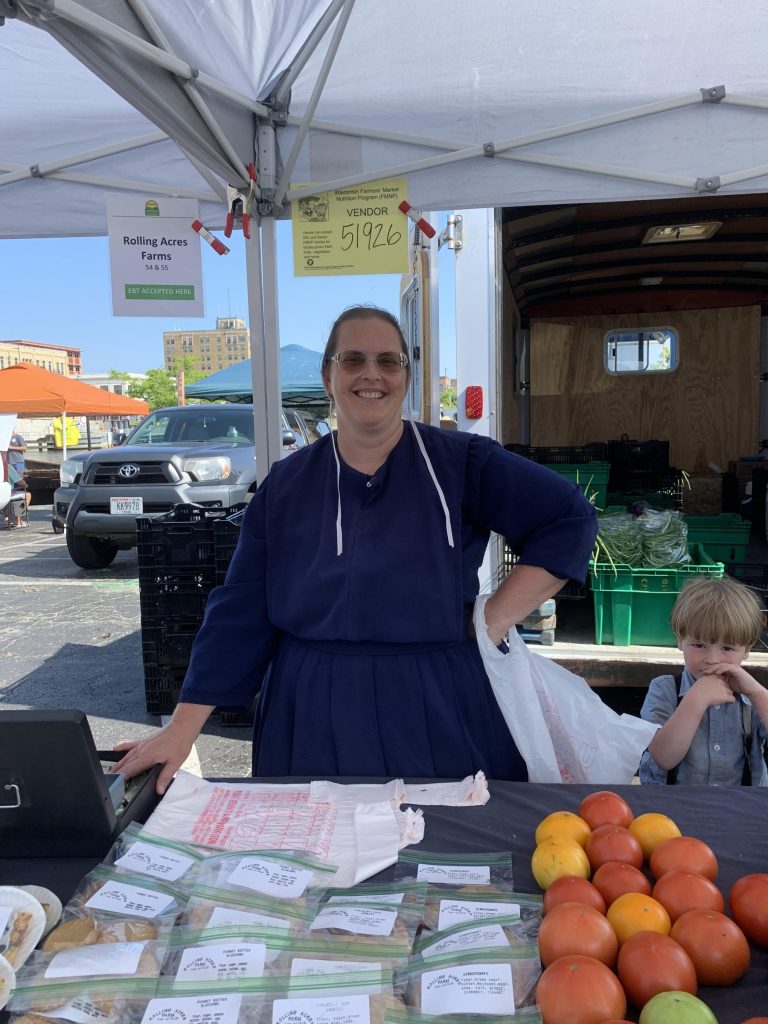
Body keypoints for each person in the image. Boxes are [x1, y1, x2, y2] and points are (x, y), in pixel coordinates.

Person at [114, 306, 597, 794]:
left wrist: (494, 617)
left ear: (406, 377)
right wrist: (181, 728)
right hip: (310, 709)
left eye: (389, 361)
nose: (372, 374)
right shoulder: (285, 485)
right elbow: (241, 608)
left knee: (441, 854)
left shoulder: (463, 462)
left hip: (438, 700)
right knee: (314, 858)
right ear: (328, 377)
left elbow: (569, 518)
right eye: (353, 360)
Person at [639, 576, 768, 786]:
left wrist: (757, 693)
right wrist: (695, 700)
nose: (712, 660)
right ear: (680, 640)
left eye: (727, 648)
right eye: (699, 645)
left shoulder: (752, 697)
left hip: (739, 807)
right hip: (670, 808)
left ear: (747, 649)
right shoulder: (664, 690)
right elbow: (663, 757)